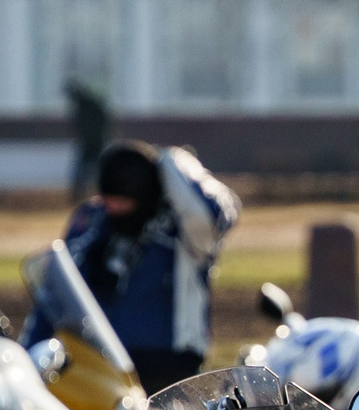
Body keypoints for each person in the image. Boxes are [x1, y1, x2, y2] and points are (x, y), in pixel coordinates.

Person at [29, 140, 240, 393]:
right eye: (108, 202)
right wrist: (29, 357)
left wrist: (171, 161)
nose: (114, 210)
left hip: (170, 369)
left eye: (123, 203)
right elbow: (59, 287)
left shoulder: (185, 232)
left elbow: (211, 213)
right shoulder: (93, 222)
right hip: (100, 365)